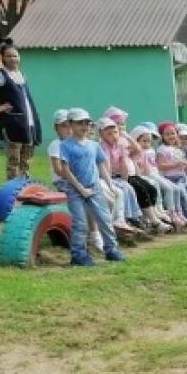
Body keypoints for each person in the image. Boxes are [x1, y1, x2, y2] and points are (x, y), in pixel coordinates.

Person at [55, 108, 124, 266]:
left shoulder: (93, 145)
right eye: (80, 123)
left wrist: (109, 184)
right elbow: (65, 170)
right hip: (75, 190)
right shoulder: (66, 145)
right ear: (71, 124)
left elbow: (101, 165)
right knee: (80, 223)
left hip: (94, 188)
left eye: (87, 123)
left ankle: (111, 250)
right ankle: (78, 254)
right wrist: (81, 189)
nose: (84, 126)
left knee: (105, 219)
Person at [0, 40, 42, 179]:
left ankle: (24, 186)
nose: (13, 59)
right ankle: (13, 190)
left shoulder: (21, 75)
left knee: (27, 159)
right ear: (3, 58)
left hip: (28, 123)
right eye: (9, 56)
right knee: (14, 160)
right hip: (13, 123)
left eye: (15, 55)